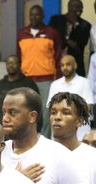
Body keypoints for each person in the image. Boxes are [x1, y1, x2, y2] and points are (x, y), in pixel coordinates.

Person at [17, 4, 62, 137]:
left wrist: (57, 79)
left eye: (37, 14)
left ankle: (44, 139)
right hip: (27, 80)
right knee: (25, 111)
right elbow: (19, 57)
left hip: (46, 80)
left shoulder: (52, 33)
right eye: (31, 14)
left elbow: (58, 57)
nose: (34, 17)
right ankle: (26, 138)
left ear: (42, 16)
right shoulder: (21, 34)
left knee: (46, 112)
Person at [47, 55, 93, 139]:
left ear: (75, 65)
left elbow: (87, 106)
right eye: (62, 65)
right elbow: (50, 108)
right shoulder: (55, 84)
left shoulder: (84, 82)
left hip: (80, 132)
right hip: (59, 132)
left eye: (68, 64)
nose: (65, 67)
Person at [0, 55, 39, 125]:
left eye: (14, 63)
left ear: (20, 65)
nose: (11, 65)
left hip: (23, 128)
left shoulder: (29, 84)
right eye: (8, 63)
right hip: (1, 127)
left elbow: (36, 107)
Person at [49, 0, 91, 77]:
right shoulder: (56, 20)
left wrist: (75, 25)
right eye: (77, 6)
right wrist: (67, 41)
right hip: (57, 64)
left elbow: (81, 43)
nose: (79, 9)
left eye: (81, 7)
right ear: (69, 7)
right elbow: (51, 39)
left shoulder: (85, 25)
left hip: (76, 66)